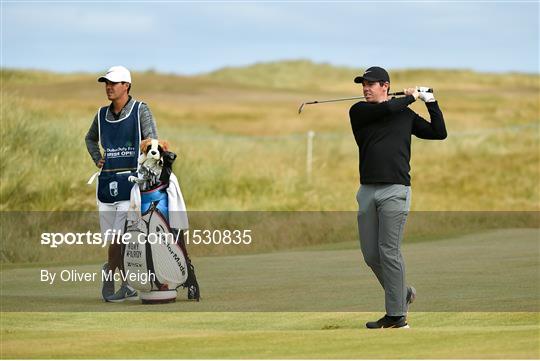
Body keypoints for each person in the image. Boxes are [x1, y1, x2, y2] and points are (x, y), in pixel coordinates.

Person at [349, 66, 447, 328]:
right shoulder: (359, 111)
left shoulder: (403, 113)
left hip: (395, 190)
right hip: (367, 191)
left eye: (371, 84)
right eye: (363, 84)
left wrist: (431, 102)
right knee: (371, 254)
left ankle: (396, 316)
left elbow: (438, 132)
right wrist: (410, 96)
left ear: (385, 86)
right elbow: (387, 109)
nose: (366, 88)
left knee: (389, 251)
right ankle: (402, 294)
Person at [85, 65, 158, 302]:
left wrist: (148, 172)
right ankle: (125, 283)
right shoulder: (100, 114)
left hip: (131, 183)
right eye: (106, 83)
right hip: (107, 183)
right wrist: (98, 159)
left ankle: (109, 273)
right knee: (113, 238)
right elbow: (90, 139)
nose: (109, 87)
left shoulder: (140, 110)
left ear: (126, 85)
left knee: (121, 236)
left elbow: (151, 143)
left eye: (113, 83)